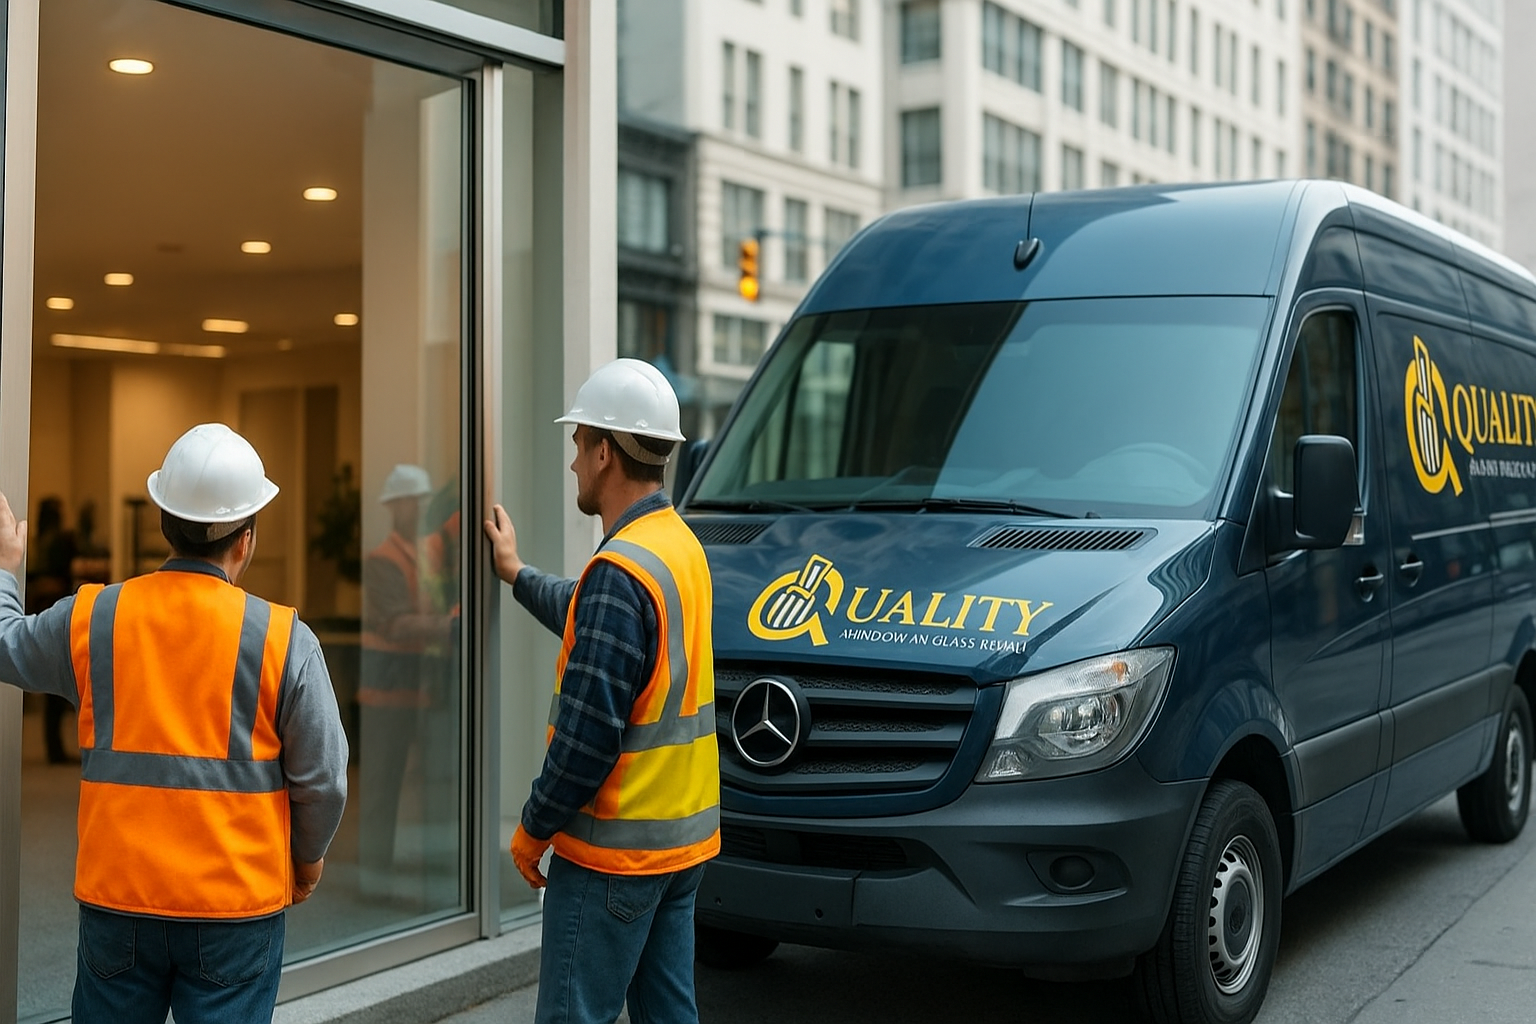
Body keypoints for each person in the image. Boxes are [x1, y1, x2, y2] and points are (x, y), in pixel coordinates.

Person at [0, 422, 349, 1024]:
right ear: (246, 540)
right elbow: (325, 777)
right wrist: (308, 856)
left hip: (119, 898)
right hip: (234, 906)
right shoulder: (284, 639)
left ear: (163, 522)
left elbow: (6, 644)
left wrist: (7, 567)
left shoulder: (93, 618)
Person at [484, 358, 720, 1024]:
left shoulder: (621, 571)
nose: (572, 465)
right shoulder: (676, 546)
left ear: (605, 453)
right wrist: (517, 573)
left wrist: (533, 829)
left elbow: (588, 738)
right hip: (680, 849)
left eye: (578, 446)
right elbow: (590, 614)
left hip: (614, 857)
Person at [358, 464, 455, 900]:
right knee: (381, 789)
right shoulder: (382, 561)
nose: (419, 508)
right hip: (385, 693)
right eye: (412, 501)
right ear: (394, 507)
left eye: (423, 500)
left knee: (429, 784)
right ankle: (371, 881)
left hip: (419, 691)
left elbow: (451, 530)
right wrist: (449, 626)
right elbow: (396, 624)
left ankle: (415, 872)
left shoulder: (426, 551)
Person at [26, 496, 76, 763]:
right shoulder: (60, 541)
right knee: (56, 692)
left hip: (39, 607)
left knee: (49, 689)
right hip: (56, 607)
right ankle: (55, 749)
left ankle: (53, 747)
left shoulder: (36, 541)